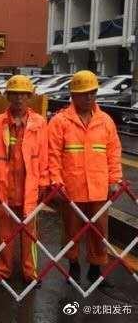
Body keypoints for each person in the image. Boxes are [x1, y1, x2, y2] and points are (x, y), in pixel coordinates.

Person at [48, 70, 122, 286]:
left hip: (99, 188)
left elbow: (113, 153)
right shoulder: (60, 121)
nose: (89, 97)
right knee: (71, 230)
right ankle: (73, 266)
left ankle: (96, 268)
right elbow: (53, 154)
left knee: (99, 230)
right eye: (83, 93)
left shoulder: (105, 121)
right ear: (73, 95)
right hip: (72, 188)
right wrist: (56, 181)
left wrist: (115, 179)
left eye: (92, 93)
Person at [0, 75, 49, 286]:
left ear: (29, 97)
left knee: (29, 235)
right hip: (3, 187)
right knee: (2, 234)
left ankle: (30, 274)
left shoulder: (39, 123)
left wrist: (44, 183)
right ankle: (2, 272)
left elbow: (44, 156)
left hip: (29, 188)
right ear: (8, 97)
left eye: (23, 94)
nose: (19, 98)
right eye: (15, 94)